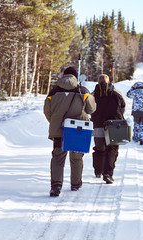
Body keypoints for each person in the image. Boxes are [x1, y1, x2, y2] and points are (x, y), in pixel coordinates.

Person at [44, 67, 96, 197]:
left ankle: (56, 186)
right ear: (75, 77)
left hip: (58, 130)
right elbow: (91, 109)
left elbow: (47, 111)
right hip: (77, 130)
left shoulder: (53, 92)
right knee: (76, 157)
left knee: (57, 157)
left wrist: (55, 122)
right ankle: (75, 183)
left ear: (64, 75)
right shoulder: (82, 90)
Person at [91, 74, 126, 184]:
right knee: (112, 149)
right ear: (109, 81)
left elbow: (89, 108)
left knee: (99, 148)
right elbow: (123, 107)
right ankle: (108, 174)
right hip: (115, 125)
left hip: (98, 124)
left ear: (98, 81)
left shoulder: (93, 94)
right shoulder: (117, 93)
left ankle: (98, 170)